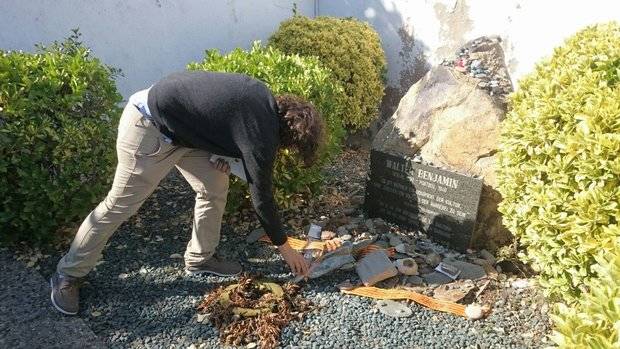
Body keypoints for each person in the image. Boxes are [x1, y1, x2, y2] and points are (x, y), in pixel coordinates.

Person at [50, 71, 325, 315]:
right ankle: (68, 274)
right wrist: (286, 249)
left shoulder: (263, 99)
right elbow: (261, 195)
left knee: (214, 186)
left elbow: (217, 117)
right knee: (120, 205)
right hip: (149, 124)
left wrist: (222, 152)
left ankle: (200, 258)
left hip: (182, 131)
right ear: (290, 137)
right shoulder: (261, 133)